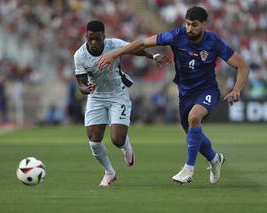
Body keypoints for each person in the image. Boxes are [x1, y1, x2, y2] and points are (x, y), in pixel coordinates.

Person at [98, 6, 249, 184]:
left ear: (204, 25)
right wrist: (114, 54)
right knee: (192, 131)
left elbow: (242, 65)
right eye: (187, 24)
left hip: (207, 91)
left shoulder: (213, 42)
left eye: (194, 25)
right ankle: (215, 159)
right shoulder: (177, 36)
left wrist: (237, 89)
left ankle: (188, 169)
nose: (189, 28)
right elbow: (142, 43)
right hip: (185, 93)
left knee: (194, 118)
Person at [74, 20, 168, 187]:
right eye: (90, 39)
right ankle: (109, 172)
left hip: (118, 94)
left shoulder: (114, 44)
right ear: (86, 37)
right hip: (96, 97)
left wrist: (153, 55)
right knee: (94, 140)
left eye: (97, 38)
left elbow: (136, 48)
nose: (94, 42)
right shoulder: (79, 55)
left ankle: (126, 147)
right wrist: (86, 88)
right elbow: (80, 83)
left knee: (117, 139)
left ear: (104, 36)